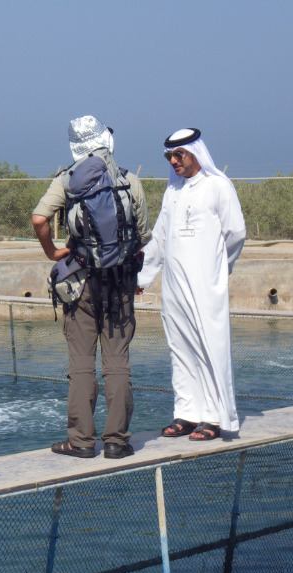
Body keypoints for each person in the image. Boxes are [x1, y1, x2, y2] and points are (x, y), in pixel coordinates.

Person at [32, 116, 151, 459]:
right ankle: (117, 441)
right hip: (121, 284)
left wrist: (53, 252)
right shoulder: (131, 181)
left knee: (81, 361)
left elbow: (39, 218)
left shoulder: (66, 180)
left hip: (81, 283)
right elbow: (142, 238)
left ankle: (81, 441)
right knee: (117, 361)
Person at [137, 128, 246, 441]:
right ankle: (187, 413)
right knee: (180, 347)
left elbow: (236, 233)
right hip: (174, 286)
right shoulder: (174, 189)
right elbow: (160, 237)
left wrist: (217, 270)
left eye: (179, 155)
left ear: (195, 153)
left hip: (205, 285)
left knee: (209, 347)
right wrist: (142, 278)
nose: (173, 161)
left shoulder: (217, 186)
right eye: (169, 156)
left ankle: (213, 417)